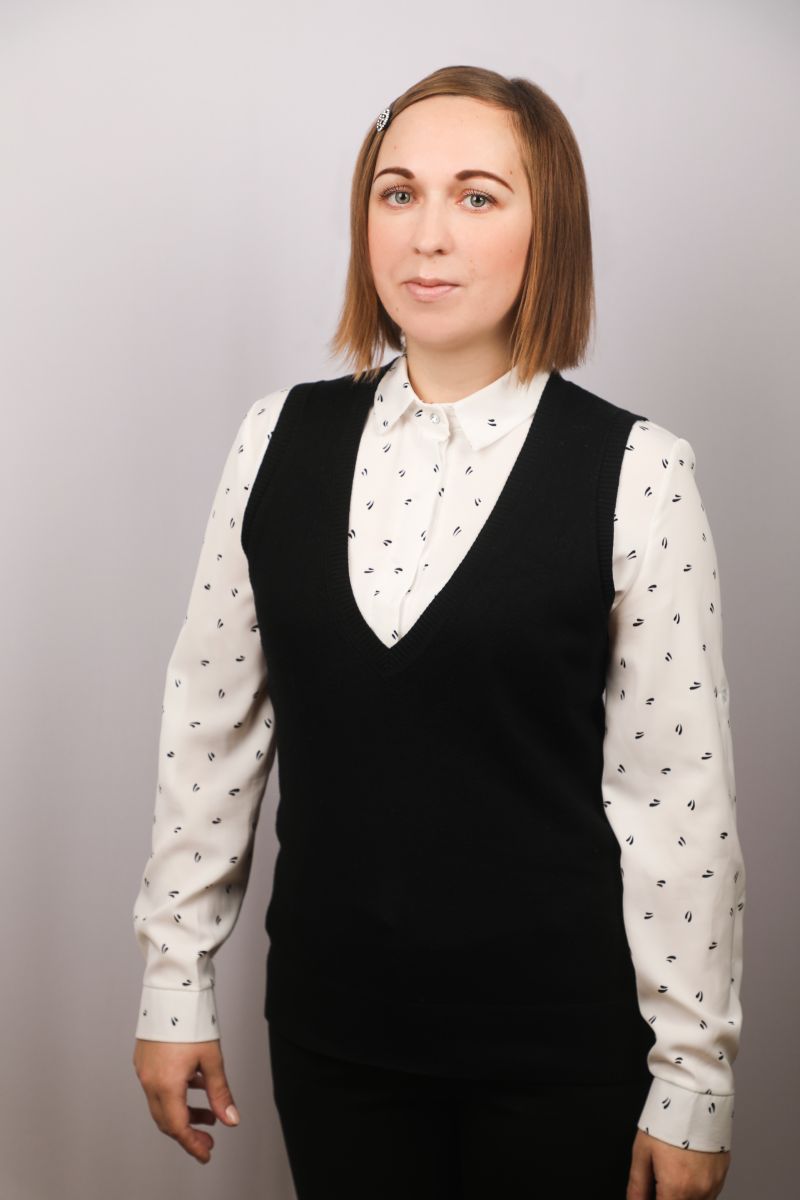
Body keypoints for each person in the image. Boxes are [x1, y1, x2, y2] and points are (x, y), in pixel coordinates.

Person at [131, 65, 745, 1199]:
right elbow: (209, 736)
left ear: (547, 227)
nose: (428, 235)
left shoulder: (637, 474)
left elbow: (676, 801)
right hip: (332, 1039)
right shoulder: (274, 441)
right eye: (398, 193)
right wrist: (174, 986)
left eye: (476, 196)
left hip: (558, 1055)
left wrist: (693, 1082)